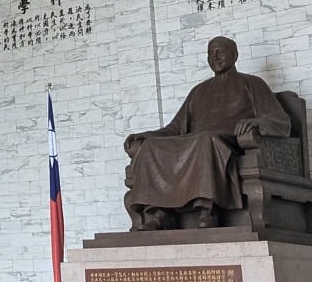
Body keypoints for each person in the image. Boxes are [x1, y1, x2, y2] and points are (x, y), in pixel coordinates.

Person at [124, 36, 290, 230]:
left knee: (206, 138)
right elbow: (175, 128)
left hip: (228, 143)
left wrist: (256, 122)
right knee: (151, 146)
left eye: (219, 51)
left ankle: (207, 211)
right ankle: (158, 213)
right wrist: (148, 135)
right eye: (210, 53)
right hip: (197, 143)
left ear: (235, 55)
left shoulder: (252, 84)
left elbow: (281, 122)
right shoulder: (199, 91)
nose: (214, 57)